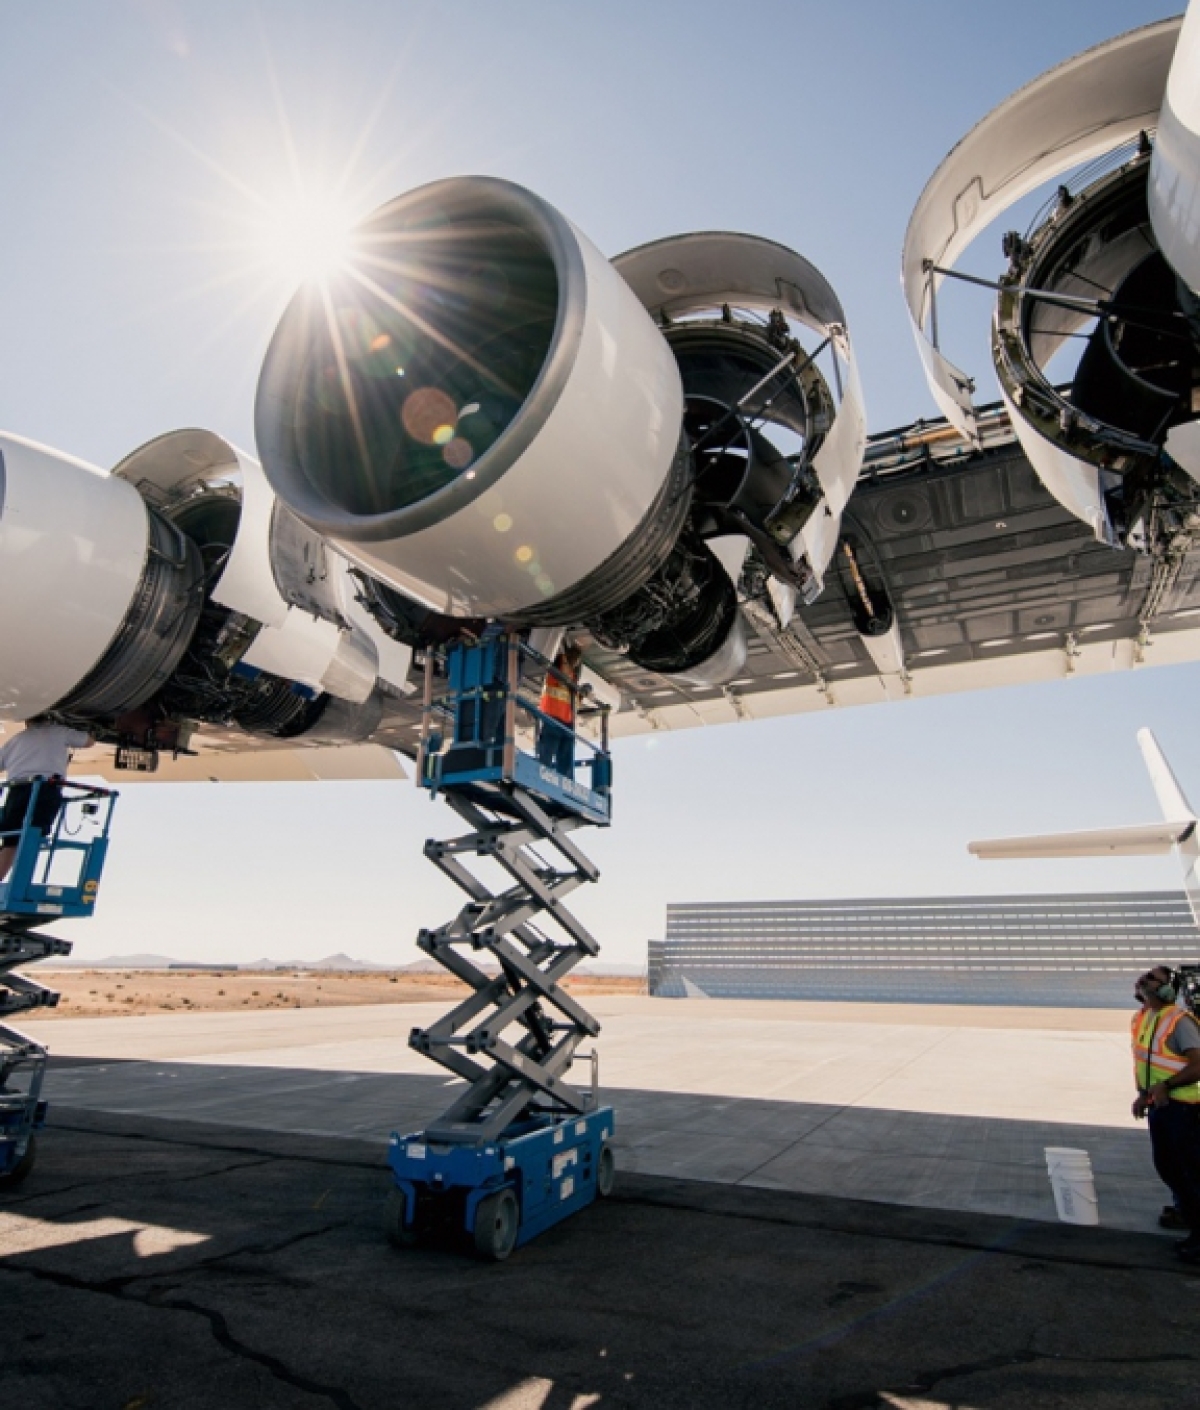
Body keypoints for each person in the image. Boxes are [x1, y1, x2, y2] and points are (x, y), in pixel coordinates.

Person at [1131, 964, 1200, 1262]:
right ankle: (1192, 1226)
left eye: (1152, 979)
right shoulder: (1143, 1018)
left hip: (1185, 1109)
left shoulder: (1179, 1022)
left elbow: (1198, 1064)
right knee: (1170, 1169)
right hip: (1160, 1108)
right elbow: (1149, 1065)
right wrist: (1143, 1096)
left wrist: (1167, 1086)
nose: (1144, 980)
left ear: (1167, 989)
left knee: (1190, 1173)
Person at [0, 717, 93, 883]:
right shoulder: (59, 732)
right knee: (34, 835)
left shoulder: (16, 739)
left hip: (17, 791)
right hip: (45, 790)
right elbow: (88, 741)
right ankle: (21, 883)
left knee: (11, 840)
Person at [537, 642, 584, 778]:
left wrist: (582, 693)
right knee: (546, 753)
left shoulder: (573, 680)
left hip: (567, 724)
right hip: (553, 718)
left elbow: (574, 703)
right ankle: (541, 776)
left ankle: (566, 782)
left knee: (565, 759)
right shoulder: (557, 669)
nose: (575, 663)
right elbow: (560, 664)